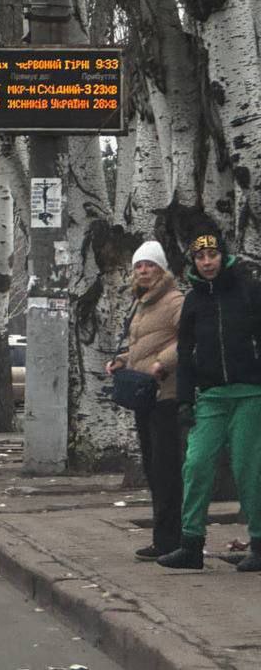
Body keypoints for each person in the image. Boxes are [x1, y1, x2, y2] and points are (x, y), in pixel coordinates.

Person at [159, 232, 261, 571]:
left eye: (212, 255)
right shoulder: (193, 301)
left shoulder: (248, 290)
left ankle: (259, 545)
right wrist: (185, 401)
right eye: (200, 258)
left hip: (250, 395)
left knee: (249, 470)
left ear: (223, 256)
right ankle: (191, 545)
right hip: (211, 397)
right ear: (194, 262)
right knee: (197, 464)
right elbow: (185, 355)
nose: (207, 263)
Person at [105, 240, 184, 559]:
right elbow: (143, 345)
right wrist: (124, 360)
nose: (143, 270)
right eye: (139, 266)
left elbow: (187, 339)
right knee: (153, 469)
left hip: (167, 394)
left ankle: (172, 540)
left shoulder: (174, 300)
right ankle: (163, 539)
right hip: (146, 396)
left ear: (161, 268)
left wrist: (162, 362)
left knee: (166, 470)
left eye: (149, 265)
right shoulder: (142, 302)